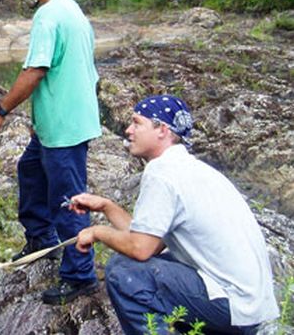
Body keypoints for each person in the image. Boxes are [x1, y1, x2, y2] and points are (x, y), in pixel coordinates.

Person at [69, 95, 279, 334]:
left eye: (137, 123)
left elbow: (140, 248)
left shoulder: (162, 174)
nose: (128, 130)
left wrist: (97, 231)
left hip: (234, 308)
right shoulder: (189, 168)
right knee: (139, 265)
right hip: (250, 308)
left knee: (122, 271)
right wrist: (106, 206)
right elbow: (150, 242)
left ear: (162, 130)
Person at [0, 0, 102, 304]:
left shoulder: (48, 16)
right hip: (62, 122)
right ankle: (41, 240)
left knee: (69, 200)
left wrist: (0, 110)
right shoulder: (74, 11)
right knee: (30, 170)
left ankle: (80, 276)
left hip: (64, 127)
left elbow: (35, 72)